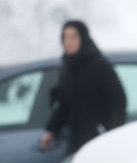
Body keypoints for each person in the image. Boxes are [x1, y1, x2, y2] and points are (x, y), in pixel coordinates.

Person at [40, 20, 127, 153]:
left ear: (83, 38)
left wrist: (112, 134)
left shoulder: (99, 65)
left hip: (99, 138)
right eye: (65, 37)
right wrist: (52, 130)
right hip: (75, 139)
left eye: (73, 36)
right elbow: (65, 105)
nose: (68, 41)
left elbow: (118, 100)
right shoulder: (67, 67)